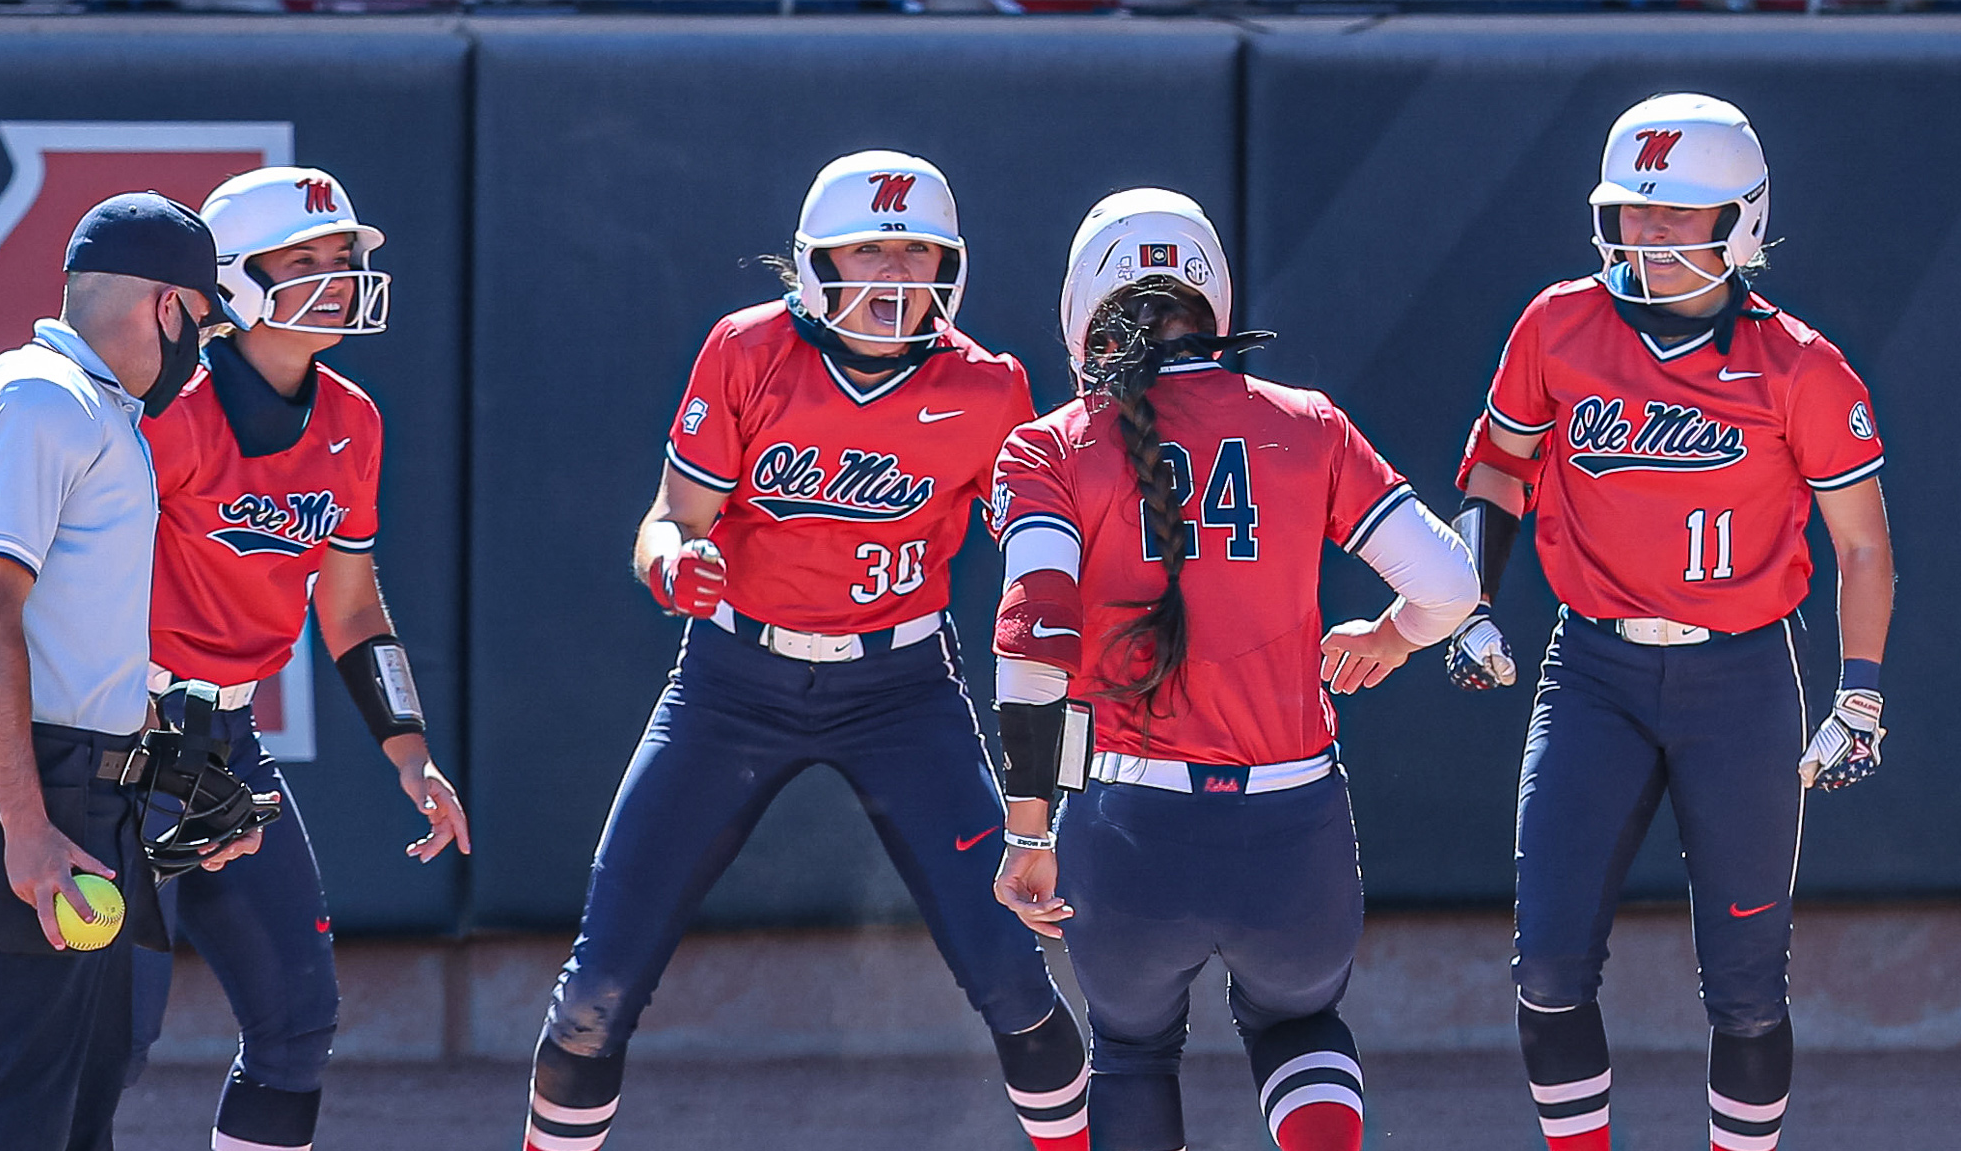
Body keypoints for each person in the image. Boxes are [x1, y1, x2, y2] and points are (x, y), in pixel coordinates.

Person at [521, 150, 1090, 1151]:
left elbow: (1034, 555)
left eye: (914, 251)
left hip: (902, 688)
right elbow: (667, 518)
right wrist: (671, 564)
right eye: (868, 248)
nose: (893, 273)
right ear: (816, 260)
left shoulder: (990, 386)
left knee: (1015, 980)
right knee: (593, 993)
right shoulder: (747, 351)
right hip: (732, 681)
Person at [1443, 94, 1893, 1151]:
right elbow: (1499, 471)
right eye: (1630, 212)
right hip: (1589, 667)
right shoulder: (1556, 324)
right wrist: (1464, 603)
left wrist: (1859, 691)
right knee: (1547, 968)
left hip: (1738, 680)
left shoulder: (1799, 366)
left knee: (1743, 987)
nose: (1642, 234)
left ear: (1738, 220)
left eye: (1672, 214)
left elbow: (1861, 546)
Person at [989, 188, 1480, 1151]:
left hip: (1128, 828)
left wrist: (1028, 829)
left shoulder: (1047, 447)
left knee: (1130, 1053)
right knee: (1299, 1029)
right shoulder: (1308, 423)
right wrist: (1391, 639)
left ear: (1086, 307)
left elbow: (1034, 645)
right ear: (1209, 303)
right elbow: (1452, 586)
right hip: (1293, 826)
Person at [123, 166, 471, 1151]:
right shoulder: (164, 410)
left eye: (341, 259)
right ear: (230, 279)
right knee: (108, 1033)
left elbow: (351, 602)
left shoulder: (352, 417)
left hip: (227, 742)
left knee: (297, 1027)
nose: (336, 277)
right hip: (120, 738)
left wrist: (409, 750)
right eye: (303, 260)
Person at [0, 192, 257, 1151]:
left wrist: (158, 773)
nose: (205, 347)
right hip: (27, 795)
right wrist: (27, 831)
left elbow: (65, 639)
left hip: (78, 790)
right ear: (167, 307)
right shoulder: (40, 397)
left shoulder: (92, 408)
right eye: (206, 321)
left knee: (75, 1108)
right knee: (16, 1110)